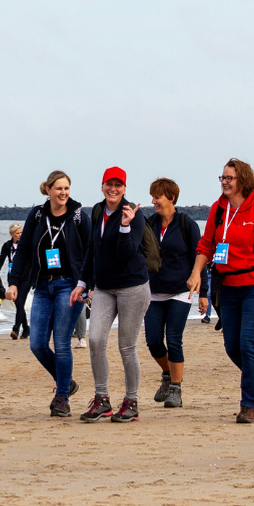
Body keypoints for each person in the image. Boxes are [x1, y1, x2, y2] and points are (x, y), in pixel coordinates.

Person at [186, 159, 254, 424]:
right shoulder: (219, 209)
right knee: (232, 346)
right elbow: (207, 244)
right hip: (228, 285)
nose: (224, 182)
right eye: (221, 178)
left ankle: (248, 405)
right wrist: (196, 272)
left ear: (242, 180)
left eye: (229, 178)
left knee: (248, 342)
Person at [5, 170, 90, 416]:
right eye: (59, 189)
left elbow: (91, 252)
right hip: (42, 286)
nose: (63, 193)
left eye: (67, 188)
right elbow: (22, 252)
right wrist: (14, 283)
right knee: (37, 344)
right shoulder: (38, 214)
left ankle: (62, 397)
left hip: (69, 286)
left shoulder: (78, 217)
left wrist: (88, 285)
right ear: (49, 190)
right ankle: (67, 382)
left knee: (62, 342)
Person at [79, 167, 152, 423]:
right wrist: (82, 281)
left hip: (133, 287)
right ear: (102, 186)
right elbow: (92, 249)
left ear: (124, 188)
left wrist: (124, 226)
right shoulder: (97, 211)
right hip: (104, 288)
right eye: (109, 184)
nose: (113, 189)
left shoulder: (135, 215)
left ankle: (131, 402)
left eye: (118, 185)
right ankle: (102, 401)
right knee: (96, 340)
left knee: (126, 346)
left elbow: (126, 254)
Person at [143, 177, 204, 409]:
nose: (154, 201)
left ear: (171, 198)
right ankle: (168, 374)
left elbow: (200, 258)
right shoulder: (149, 224)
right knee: (153, 342)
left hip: (181, 292)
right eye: (153, 196)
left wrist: (204, 292)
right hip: (153, 293)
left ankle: (176, 389)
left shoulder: (187, 224)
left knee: (174, 339)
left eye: (157, 196)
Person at [0, 223, 29, 339]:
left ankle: (16, 328)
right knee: (17, 303)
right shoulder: (7, 245)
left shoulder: (25, 245)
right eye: (17, 233)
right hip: (12, 277)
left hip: (25, 277)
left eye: (21, 233)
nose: (20, 235)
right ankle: (26, 328)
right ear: (12, 234)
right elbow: (1, 258)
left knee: (20, 302)